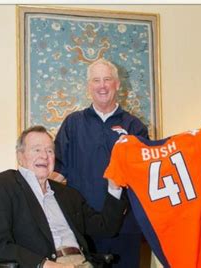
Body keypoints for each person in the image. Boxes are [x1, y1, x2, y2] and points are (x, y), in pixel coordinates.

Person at [0, 125, 128, 267]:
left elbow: (106, 228)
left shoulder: (68, 194)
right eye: (36, 150)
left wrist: (114, 188)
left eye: (50, 151)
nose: (44, 156)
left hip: (83, 262)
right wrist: (42, 264)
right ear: (20, 156)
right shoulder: (3, 185)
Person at [53, 58, 149, 267]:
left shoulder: (134, 126)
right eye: (96, 80)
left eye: (107, 79)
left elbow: (144, 176)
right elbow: (58, 171)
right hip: (82, 226)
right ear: (89, 87)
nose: (102, 85)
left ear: (117, 84)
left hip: (125, 226)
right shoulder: (73, 123)